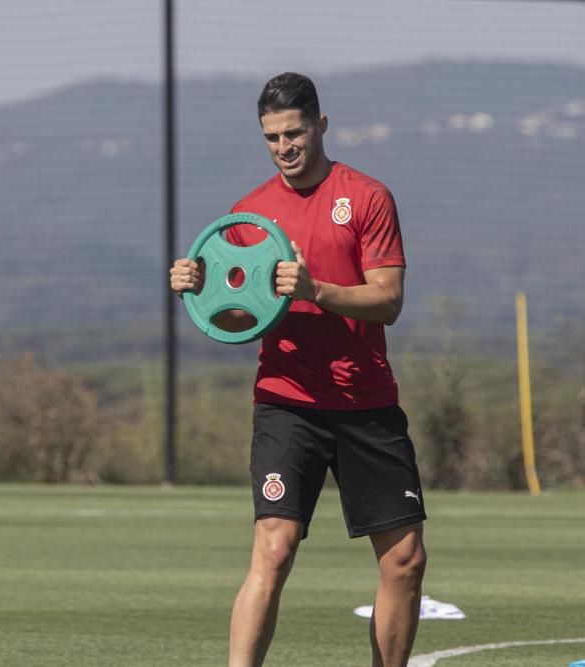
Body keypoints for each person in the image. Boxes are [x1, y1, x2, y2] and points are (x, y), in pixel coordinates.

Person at [169, 73, 427, 667]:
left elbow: (388, 299)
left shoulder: (366, 197)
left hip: (367, 402)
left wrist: (318, 290)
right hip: (287, 402)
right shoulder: (249, 213)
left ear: (321, 125)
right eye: (272, 137)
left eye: (294, 132)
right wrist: (200, 289)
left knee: (405, 560)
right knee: (275, 547)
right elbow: (238, 320)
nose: (284, 147)